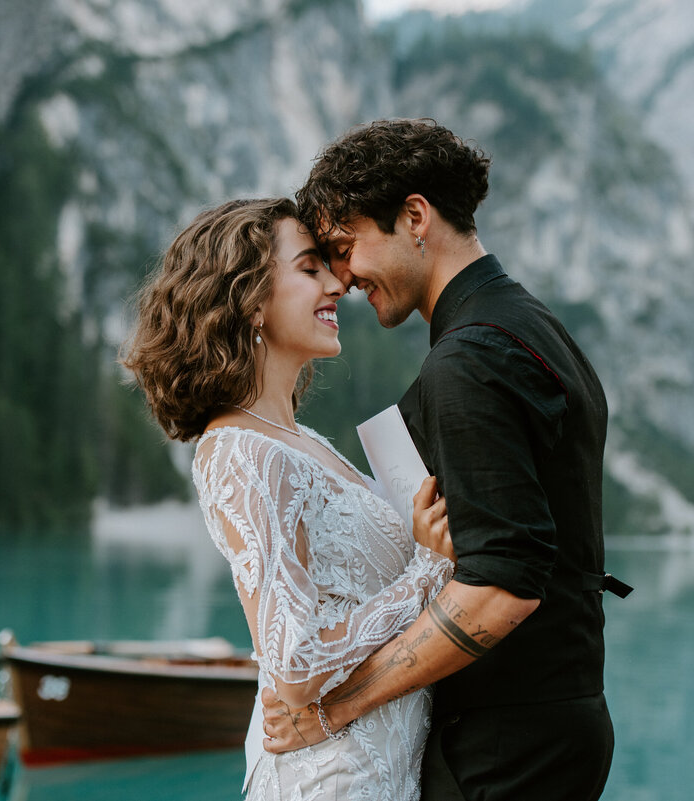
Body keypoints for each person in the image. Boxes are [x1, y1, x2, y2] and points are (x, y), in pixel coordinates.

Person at [261, 119, 631, 801]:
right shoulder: (533, 325)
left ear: (414, 216)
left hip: (504, 741)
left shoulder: (468, 361)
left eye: (345, 247)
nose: (342, 277)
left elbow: (502, 584)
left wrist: (336, 707)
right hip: (557, 717)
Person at [122, 197, 458, 801]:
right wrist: (428, 574)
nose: (337, 283)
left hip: (379, 770)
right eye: (310, 269)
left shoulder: (301, 440)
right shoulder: (241, 452)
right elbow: (295, 665)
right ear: (250, 297)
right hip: (331, 778)